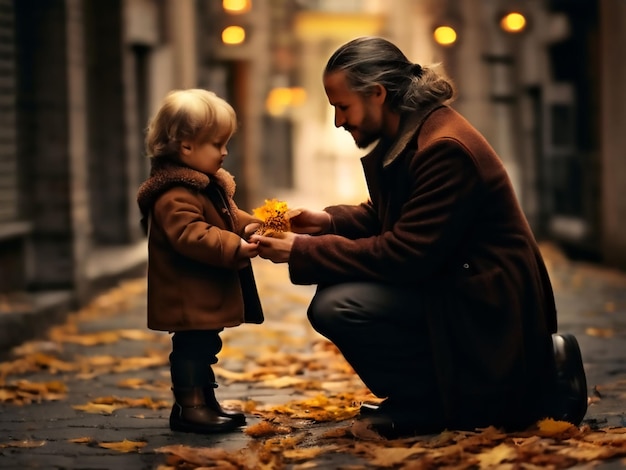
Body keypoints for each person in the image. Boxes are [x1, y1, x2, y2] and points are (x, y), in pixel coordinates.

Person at [251, 36, 588, 437]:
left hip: (487, 301)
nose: (339, 121)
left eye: (342, 106)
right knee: (338, 289)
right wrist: (324, 222)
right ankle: (432, 394)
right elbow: (393, 217)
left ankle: (441, 403)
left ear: (377, 94)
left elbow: (406, 253)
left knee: (339, 304)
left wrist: (301, 250)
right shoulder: (417, 130)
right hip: (458, 282)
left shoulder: (443, 146)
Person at [136, 89, 264, 434]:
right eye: (217, 144)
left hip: (200, 294)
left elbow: (227, 216)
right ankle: (190, 407)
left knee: (206, 347)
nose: (224, 153)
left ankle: (205, 402)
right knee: (192, 350)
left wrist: (252, 225)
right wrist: (235, 245)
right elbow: (191, 235)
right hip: (185, 295)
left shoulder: (204, 187)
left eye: (226, 143)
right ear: (186, 146)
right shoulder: (173, 194)